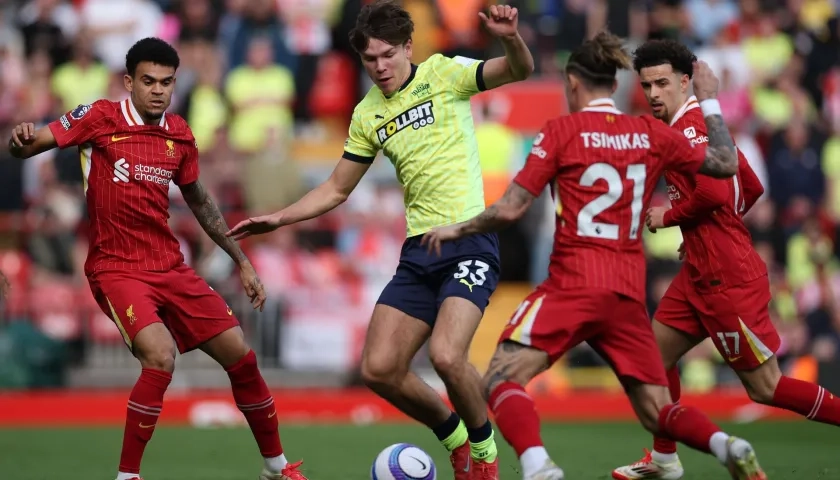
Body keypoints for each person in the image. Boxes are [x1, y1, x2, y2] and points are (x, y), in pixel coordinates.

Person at [421, 31, 766, 480]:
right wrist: (711, 100)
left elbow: (510, 209)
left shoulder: (561, 132)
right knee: (655, 408)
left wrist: (458, 228)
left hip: (573, 282)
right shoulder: (648, 133)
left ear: (572, 83)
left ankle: (537, 465)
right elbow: (723, 162)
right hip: (626, 293)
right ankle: (727, 443)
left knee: (501, 378)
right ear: (615, 84)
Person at [226, 1, 534, 478]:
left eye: (388, 55)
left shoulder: (445, 74)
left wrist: (510, 36)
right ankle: (452, 436)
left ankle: (485, 454)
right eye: (370, 60)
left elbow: (520, 68)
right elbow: (336, 188)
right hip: (418, 251)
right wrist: (280, 218)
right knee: (378, 368)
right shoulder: (368, 112)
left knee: (448, 357)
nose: (380, 67)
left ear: (409, 46)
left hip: (470, 240)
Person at [7, 38, 307, 480]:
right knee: (160, 355)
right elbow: (31, 145)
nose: (158, 90)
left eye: (167, 82)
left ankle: (277, 468)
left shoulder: (179, 134)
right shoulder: (99, 118)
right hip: (116, 268)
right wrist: (19, 140)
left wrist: (241, 260)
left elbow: (200, 201)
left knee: (242, 357)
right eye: (148, 81)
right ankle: (128, 476)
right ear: (129, 82)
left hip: (169, 266)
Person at [611, 38, 840, 480]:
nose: (654, 94)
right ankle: (664, 461)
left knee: (765, 388)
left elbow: (716, 191)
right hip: (700, 270)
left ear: (684, 81)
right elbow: (749, 186)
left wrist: (671, 216)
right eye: (647, 85)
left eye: (662, 83)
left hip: (725, 280)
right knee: (652, 362)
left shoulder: (689, 128)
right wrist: (705, 232)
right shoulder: (704, 126)